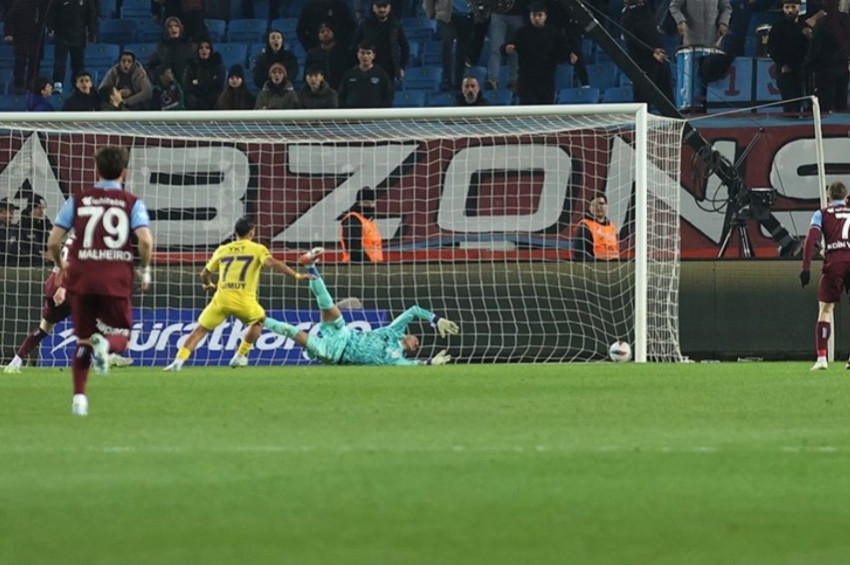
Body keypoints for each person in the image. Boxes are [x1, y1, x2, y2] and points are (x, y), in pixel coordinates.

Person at [47, 146, 154, 416]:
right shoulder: (132, 202)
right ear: (124, 172)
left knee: (83, 340)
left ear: (96, 170)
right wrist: (146, 268)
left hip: (82, 278)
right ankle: (105, 345)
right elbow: (145, 240)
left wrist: (61, 266)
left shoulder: (78, 200)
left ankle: (79, 399)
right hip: (115, 278)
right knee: (121, 334)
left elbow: (53, 241)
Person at [263, 247, 458, 366]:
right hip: (344, 333)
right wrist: (435, 319)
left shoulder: (397, 359)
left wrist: (431, 362)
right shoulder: (393, 331)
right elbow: (413, 311)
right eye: (417, 339)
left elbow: (415, 365)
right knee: (327, 302)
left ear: (411, 351)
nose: (416, 342)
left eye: (417, 346)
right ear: (407, 335)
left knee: (290, 330)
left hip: (334, 353)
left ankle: (257, 317)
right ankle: (309, 265)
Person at [163, 217, 311, 371]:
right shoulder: (257, 249)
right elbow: (273, 263)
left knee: (200, 330)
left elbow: (204, 274)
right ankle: (240, 356)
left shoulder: (222, 249)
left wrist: (208, 284)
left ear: (235, 232)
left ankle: (178, 361)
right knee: (259, 322)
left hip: (222, 299)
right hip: (244, 301)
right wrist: (296, 275)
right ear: (252, 233)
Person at [4, 232, 134, 374]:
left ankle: (15, 362)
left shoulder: (75, 235)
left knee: (44, 328)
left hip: (53, 284)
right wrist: (63, 288)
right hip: (66, 287)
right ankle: (107, 355)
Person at [800, 181, 850, 370]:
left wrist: (806, 268)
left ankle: (822, 358)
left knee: (825, 310)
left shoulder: (822, 213)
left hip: (834, 262)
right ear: (846, 197)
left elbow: (811, 239)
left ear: (829, 197)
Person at [503, 2, 570, 105]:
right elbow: (506, 45)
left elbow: (563, 49)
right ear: (530, 16)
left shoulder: (553, 32)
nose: (537, 18)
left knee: (546, 110)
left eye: (540, 15)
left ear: (545, 16)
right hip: (526, 79)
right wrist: (507, 48)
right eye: (534, 15)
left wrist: (569, 56)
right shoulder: (522, 32)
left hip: (546, 78)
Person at [46, 0, 97, 95]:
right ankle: (58, 84)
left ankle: (77, 86)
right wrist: (50, 28)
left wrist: (91, 33)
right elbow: (52, 12)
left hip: (79, 37)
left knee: (78, 64)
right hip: (61, 36)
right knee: (59, 61)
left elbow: (91, 15)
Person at [352, 0, 410, 82]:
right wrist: (357, 65)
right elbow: (354, 45)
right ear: (373, 8)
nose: (382, 9)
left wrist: (401, 67)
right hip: (369, 68)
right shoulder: (365, 24)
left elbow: (405, 47)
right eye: (379, 6)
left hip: (390, 69)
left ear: (389, 7)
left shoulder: (395, 24)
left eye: (385, 6)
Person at [338, 43, 395, 108]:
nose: (365, 56)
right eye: (362, 53)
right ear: (357, 55)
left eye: (368, 53)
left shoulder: (381, 74)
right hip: (353, 115)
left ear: (373, 55)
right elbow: (342, 95)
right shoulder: (349, 74)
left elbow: (388, 95)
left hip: (374, 114)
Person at [340, 187, 384, 263]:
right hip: (358, 267)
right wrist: (368, 265)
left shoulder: (370, 222)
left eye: (372, 202)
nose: (370, 205)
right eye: (366, 203)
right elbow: (354, 248)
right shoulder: (352, 220)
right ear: (359, 203)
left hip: (374, 266)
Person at [573, 192, 619, 261]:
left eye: (601, 203)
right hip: (595, 266)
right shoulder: (585, 226)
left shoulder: (611, 226)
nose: (598, 207)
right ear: (590, 208)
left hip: (613, 265)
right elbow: (579, 253)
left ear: (606, 206)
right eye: (594, 205)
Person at [183, 39, 224, 110]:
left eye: (207, 48)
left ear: (210, 50)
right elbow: (187, 86)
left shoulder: (217, 65)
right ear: (197, 50)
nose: (204, 50)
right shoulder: (191, 66)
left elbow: (218, 85)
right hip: (195, 103)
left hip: (212, 102)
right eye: (201, 48)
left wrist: (199, 83)